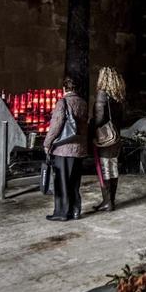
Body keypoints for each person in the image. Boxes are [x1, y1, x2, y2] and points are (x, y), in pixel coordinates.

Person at [42, 77, 88, 221]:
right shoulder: (83, 103)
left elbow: (56, 126)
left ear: (64, 88)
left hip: (63, 149)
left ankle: (62, 213)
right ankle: (75, 211)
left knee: (62, 181)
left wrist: (47, 143)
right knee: (74, 182)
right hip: (79, 148)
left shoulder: (62, 102)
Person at [90, 66, 125, 212]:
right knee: (113, 167)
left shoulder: (102, 94)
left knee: (104, 168)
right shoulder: (119, 95)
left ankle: (107, 201)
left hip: (105, 137)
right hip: (116, 135)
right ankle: (111, 201)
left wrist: (91, 126)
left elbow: (99, 119)